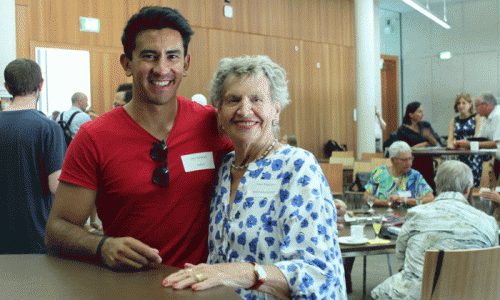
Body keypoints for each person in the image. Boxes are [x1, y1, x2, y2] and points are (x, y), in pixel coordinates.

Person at [45, 6, 233, 270]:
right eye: (149, 56)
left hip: (198, 285)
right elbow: (56, 229)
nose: (162, 68)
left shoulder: (213, 125)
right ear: (127, 64)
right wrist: (101, 245)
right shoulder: (93, 137)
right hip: (127, 288)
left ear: (186, 64)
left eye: (172, 57)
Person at [162, 56, 347, 299]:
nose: (244, 110)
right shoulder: (223, 169)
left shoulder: (298, 167)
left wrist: (250, 273)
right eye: (233, 99)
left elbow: (320, 275)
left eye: (257, 99)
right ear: (219, 112)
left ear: (276, 110)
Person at [371, 160, 499, 300]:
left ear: (437, 185)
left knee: (380, 291)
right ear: (468, 189)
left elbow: (400, 254)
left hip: (423, 293)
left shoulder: (417, 215)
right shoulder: (488, 222)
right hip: (474, 293)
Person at [0, 58, 66, 254]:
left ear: (7, 87)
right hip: (35, 231)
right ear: (41, 84)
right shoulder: (48, 128)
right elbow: (56, 186)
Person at [364, 141, 434, 207]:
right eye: (404, 160)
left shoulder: (415, 176)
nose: (409, 163)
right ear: (393, 160)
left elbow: (430, 199)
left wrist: (405, 201)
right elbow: (366, 198)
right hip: (380, 215)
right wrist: (387, 203)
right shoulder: (380, 172)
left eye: (410, 158)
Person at [392, 101, 442, 191]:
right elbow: (402, 149)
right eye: (419, 112)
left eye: (422, 111)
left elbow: (435, 143)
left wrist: (429, 137)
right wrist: (422, 144)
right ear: (411, 114)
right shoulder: (403, 130)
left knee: (429, 188)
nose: (422, 114)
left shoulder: (425, 125)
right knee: (413, 188)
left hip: (427, 161)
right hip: (412, 163)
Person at [455, 92, 500, 180]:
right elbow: (481, 139)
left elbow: (496, 144)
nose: (475, 109)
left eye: (477, 105)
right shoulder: (484, 117)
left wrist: (469, 144)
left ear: (486, 105)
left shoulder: (498, 116)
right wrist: (466, 143)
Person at [446, 93, 485, 187]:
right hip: (459, 154)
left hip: (473, 153)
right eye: (458, 103)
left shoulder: (477, 117)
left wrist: (467, 145)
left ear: (470, 104)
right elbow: (450, 138)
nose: (461, 105)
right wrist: (451, 147)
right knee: (459, 183)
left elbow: (477, 136)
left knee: (471, 183)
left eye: (464, 103)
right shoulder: (454, 120)